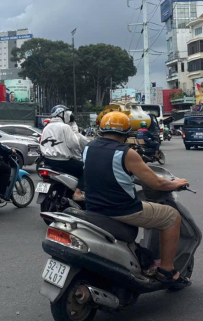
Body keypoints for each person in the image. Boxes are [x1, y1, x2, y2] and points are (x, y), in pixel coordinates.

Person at [83, 112, 191, 287]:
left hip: (93, 207)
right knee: (172, 216)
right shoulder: (126, 153)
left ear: (101, 129)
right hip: (122, 209)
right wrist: (175, 183)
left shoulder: (89, 147)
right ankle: (167, 270)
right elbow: (156, 183)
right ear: (127, 132)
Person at [40, 105, 89, 200]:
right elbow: (74, 144)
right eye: (66, 113)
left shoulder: (46, 127)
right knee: (86, 168)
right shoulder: (65, 127)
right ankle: (77, 193)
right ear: (61, 114)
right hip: (63, 162)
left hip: (47, 161)